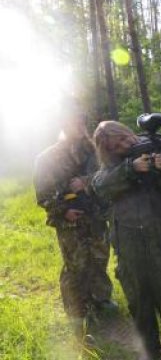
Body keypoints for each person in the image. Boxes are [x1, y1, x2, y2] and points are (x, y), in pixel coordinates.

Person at [91, 121, 161, 360]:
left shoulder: (151, 150)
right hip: (129, 243)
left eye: (124, 137)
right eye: (116, 144)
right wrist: (131, 168)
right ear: (107, 150)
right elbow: (100, 186)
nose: (125, 143)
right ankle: (150, 350)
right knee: (139, 301)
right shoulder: (110, 169)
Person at [33, 101, 117, 335]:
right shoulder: (47, 158)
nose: (78, 125)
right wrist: (63, 211)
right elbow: (42, 195)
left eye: (81, 121)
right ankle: (76, 314)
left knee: (100, 259)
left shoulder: (95, 151)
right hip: (70, 221)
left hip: (97, 217)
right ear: (63, 125)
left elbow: (110, 175)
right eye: (73, 121)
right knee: (75, 265)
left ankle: (101, 300)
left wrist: (86, 182)